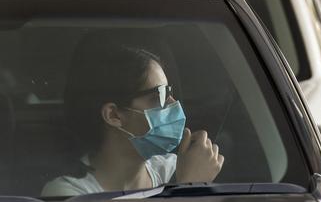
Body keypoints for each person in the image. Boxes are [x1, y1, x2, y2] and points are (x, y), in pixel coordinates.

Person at [42, 44, 224, 196]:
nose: (173, 103)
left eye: (169, 92)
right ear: (114, 115)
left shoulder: (173, 169)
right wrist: (189, 188)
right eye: (159, 95)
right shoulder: (68, 192)